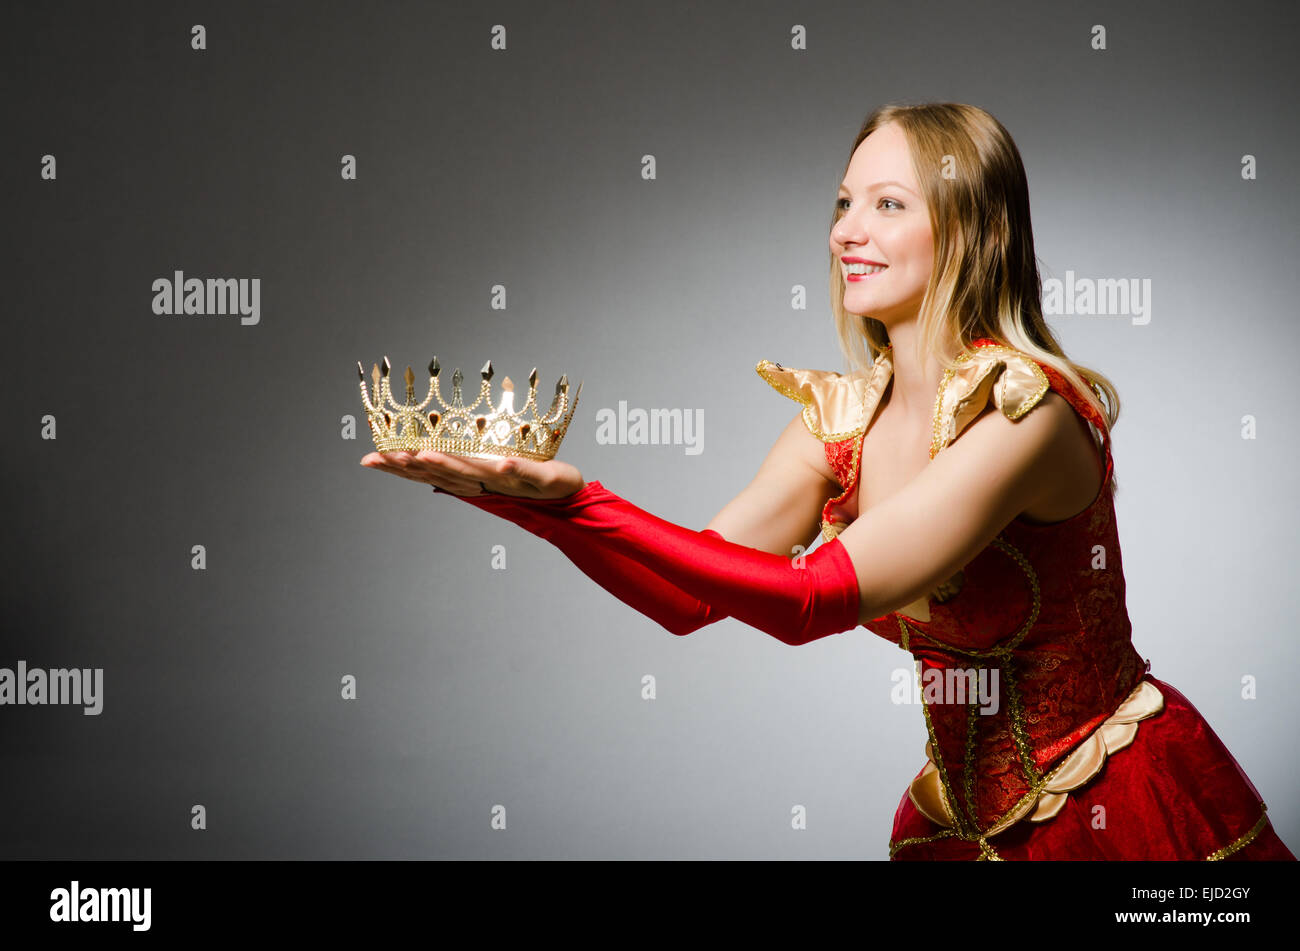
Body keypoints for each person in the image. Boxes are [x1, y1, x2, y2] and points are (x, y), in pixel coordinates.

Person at [361, 102, 1295, 861]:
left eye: (887, 205)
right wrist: (526, 507)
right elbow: (688, 595)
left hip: (1117, 808)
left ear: (968, 224)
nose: (848, 231)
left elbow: (811, 600)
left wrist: (580, 501)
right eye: (843, 203)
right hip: (960, 824)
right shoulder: (842, 419)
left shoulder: (1028, 413)